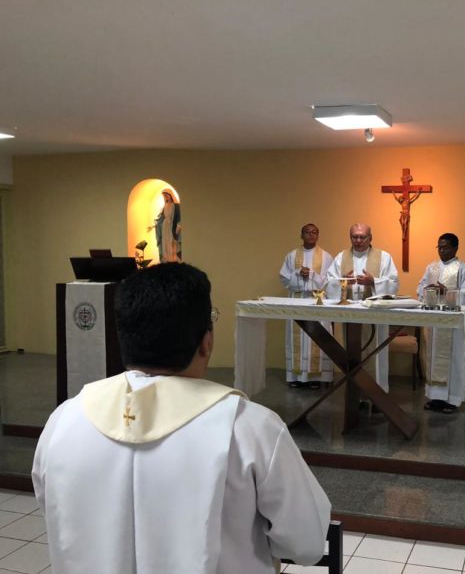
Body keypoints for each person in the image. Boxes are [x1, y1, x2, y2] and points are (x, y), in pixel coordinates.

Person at [33, 263, 331, 574]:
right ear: (206, 342)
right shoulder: (251, 428)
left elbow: (51, 508)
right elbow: (306, 542)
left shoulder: (64, 421)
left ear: (124, 338)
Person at [327, 223, 399, 391]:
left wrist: (373, 282)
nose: (358, 241)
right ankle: (355, 393)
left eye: (362, 237)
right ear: (350, 237)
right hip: (350, 315)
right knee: (352, 353)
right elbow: (329, 283)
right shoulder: (341, 257)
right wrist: (343, 281)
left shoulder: (384, 257)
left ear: (370, 238)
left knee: (375, 354)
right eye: (355, 237)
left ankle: (376, 393)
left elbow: (394, 283)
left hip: (375, 315)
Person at [417, 233, 465, 414]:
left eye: (446, 247)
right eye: (439, 247)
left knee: (453, 359)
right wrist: (427, 290)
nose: (442, 251)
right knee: (434, 358)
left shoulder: (463, 269)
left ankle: (453, 400)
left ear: (455, 248)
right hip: (435, 323)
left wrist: (446, 291)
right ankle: (435, 398)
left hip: (453, 324)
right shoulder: (431, 268)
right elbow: (420, 289)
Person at [279, 223, 334, 389]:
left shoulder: (326, 257)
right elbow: (284, 278)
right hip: (297, 301)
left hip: (317, 303)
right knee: (296, 339)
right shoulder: (291, 256)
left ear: (318, 236)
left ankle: (315, 377)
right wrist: (297, 273)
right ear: (301, 235)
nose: (311, 234)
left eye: (314, 232)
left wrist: (311, 274)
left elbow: (330, 282)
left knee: (316, 338)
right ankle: (295, 376)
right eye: (307, 232)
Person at [148, 188, 182, 263]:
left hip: (172, 227)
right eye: (164, 196)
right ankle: (167, 260)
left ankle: (173, 260)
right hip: (164, 227)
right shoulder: (165, 206)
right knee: (165, 243)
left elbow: (179, 217)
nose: (165, 197)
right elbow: (161, 218)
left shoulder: (176, 205)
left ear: (170, 195)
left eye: (166, 195)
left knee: (172, 243)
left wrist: (178, 226)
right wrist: (153, 225)